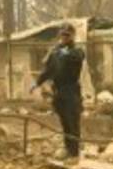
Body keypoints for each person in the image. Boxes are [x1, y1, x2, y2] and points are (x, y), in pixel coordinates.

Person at [32, 22, 85, 160]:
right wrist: (37, 83)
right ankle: (68, 149)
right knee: (65, 122)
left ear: (73, 36)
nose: (65, 37)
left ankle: (75, 153)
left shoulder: (76, 51)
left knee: (73, 121)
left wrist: (64, 53)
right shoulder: (55, 52)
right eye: (63, 35)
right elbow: (48, 71)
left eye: (68, 35)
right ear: (59, 35)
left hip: (71, 91)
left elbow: (78, 58)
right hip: (59, 91)